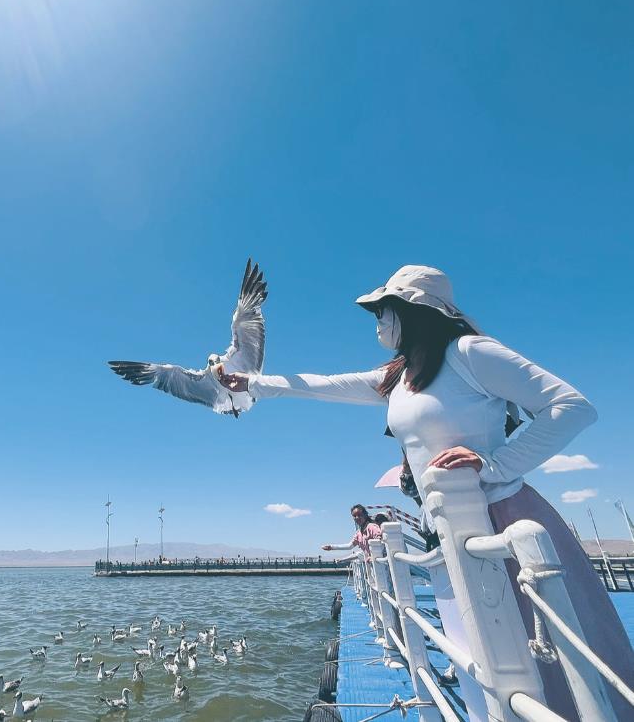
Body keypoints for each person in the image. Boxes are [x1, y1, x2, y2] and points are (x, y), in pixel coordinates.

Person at [217, 264, 634, 720]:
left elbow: (571, 406)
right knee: (476, 661)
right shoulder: (398, 376)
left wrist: (495, 465)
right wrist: (252, 384)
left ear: (414, 310)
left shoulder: (470, 353)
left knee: (540, 663)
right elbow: (325, 386)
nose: (378, 323)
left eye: (383, 311)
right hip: (443, 532)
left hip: (500, 518)